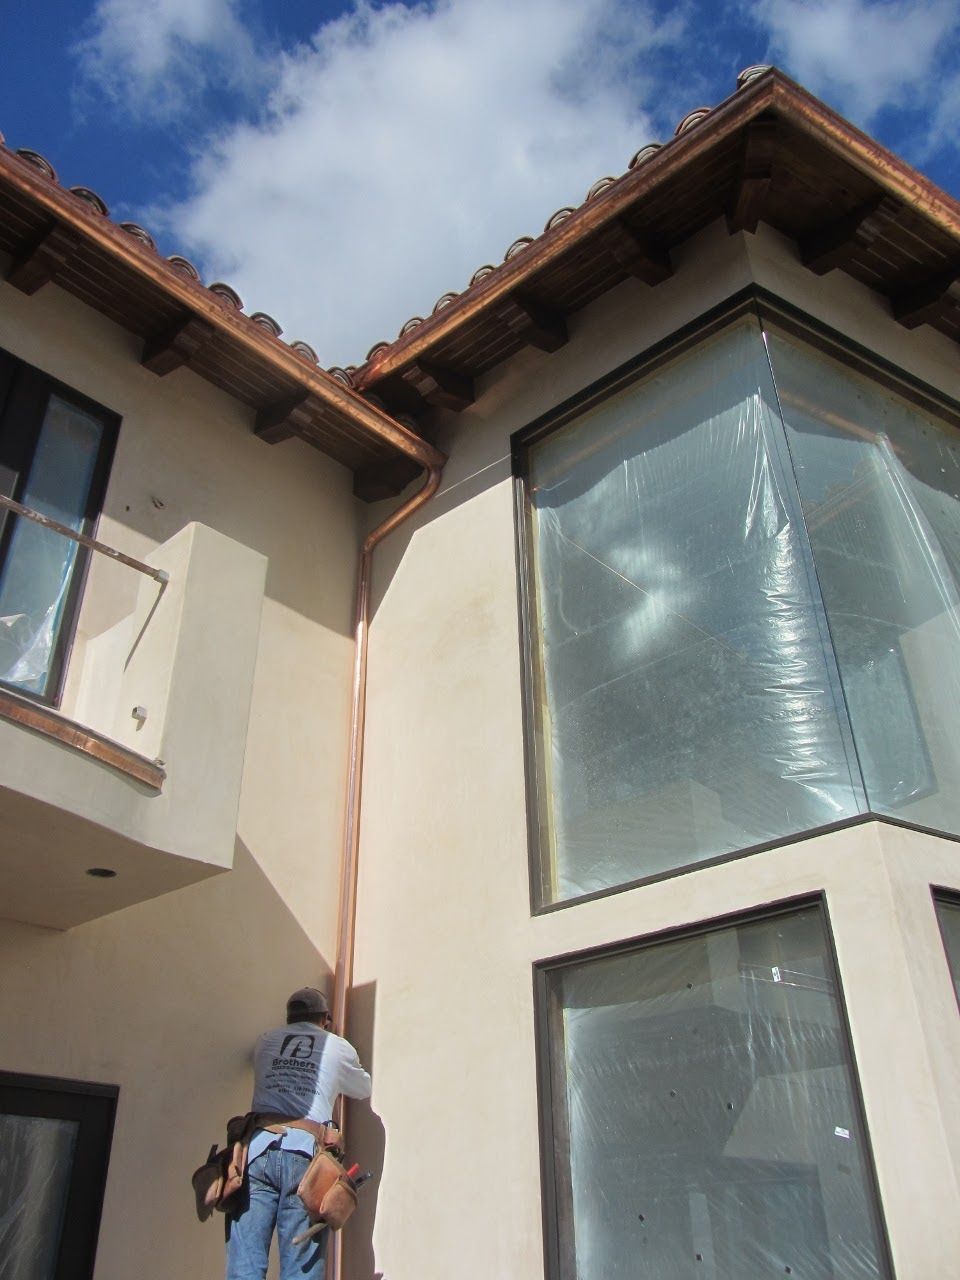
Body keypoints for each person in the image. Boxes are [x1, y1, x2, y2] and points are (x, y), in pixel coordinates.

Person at [225, 987, 372, 1280]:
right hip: (305, 1159)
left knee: (245, 1266)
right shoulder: (337, 1046)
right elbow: (363, 1088)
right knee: (300, 1270)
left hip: (256, 1153)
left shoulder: (266, 1041)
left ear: (289, 1017)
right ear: (325, 1019)